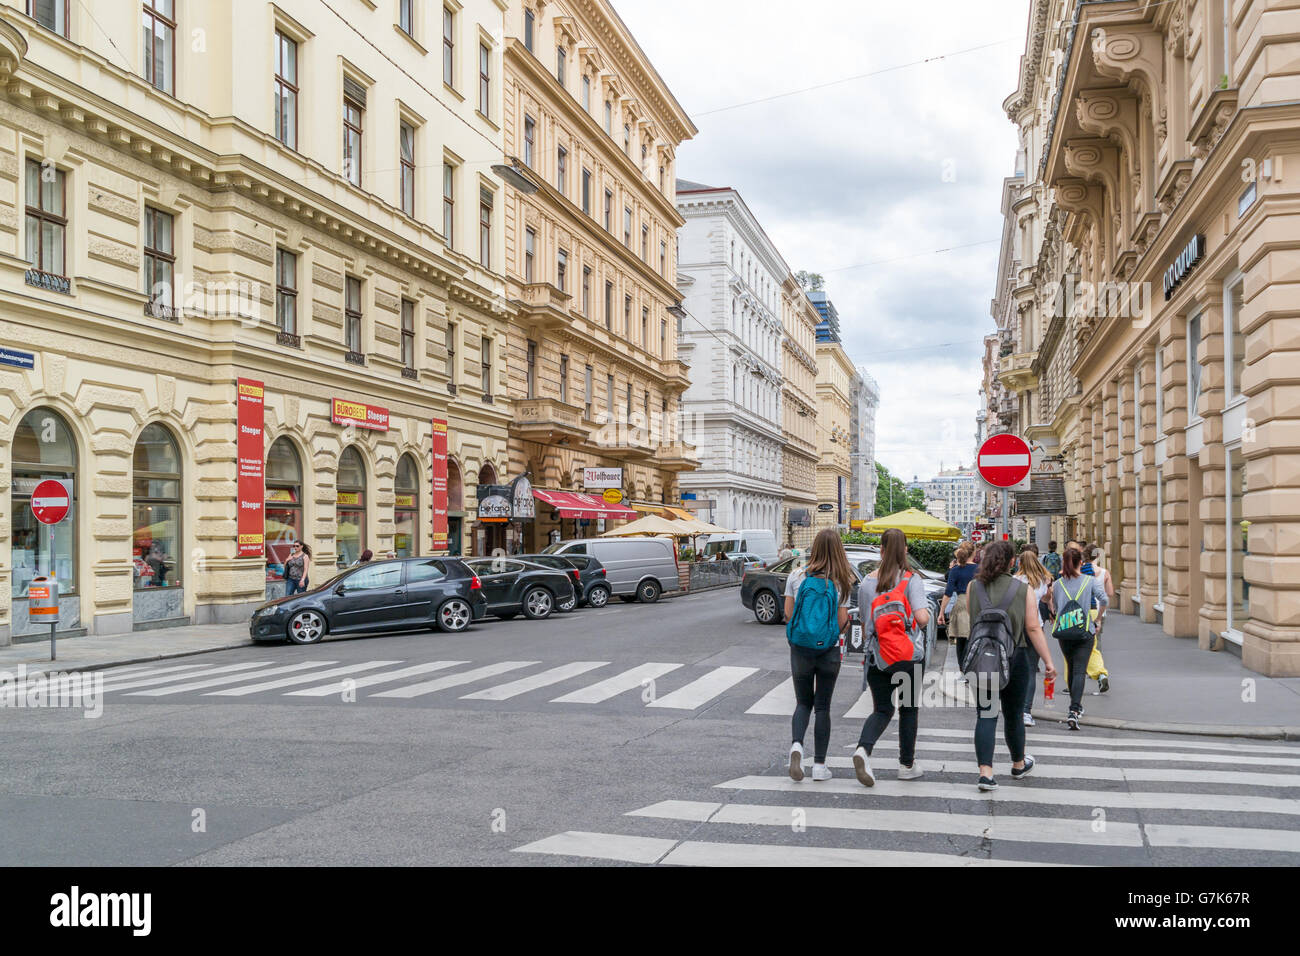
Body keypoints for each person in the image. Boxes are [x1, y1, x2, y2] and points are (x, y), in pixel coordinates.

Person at [965, 540, 1057, 791]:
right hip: (1016, 657)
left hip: (982, 657)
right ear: (1011, 562)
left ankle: (985, 773)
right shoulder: (1022, 589)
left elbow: (974, 622)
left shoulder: (973, 587)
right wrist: (1049, 661)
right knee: (1014, 714)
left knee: (986, 713)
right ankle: (1018, 763)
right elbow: (1033, 627)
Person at [852, 528, 931, 786]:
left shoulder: (866, 582)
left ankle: (863, 749)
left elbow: (866, 625)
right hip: (909, 658)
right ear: (905, 550)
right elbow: (921, 618)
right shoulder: (912, 579)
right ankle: (906, 765)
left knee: (882, 709)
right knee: (909, 710)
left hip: (879, 657)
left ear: (882, 550)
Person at [783, 528, 853, 783]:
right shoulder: (842, 582)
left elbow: (789, 614)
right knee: (823, 707)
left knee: (803, 703)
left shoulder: (797, 575)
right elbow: (841, 621)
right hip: (829, 651)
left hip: (800, 649)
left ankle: (797, 746)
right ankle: (820, 766)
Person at [1049, 545, 1109, 730]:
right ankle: (1074, 710)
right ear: (1080, 563)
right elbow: (1105, 599)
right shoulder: (1090, 581)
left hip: (1065, 632)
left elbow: (1056, 608)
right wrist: (1097, 619)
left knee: (1071, 666)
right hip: (1085, 631)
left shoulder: (1058, 584)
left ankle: (1076, 706)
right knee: (1079, 670)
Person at [1014, 548, 1053, 727]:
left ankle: (1015, 707)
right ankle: (1026, 711)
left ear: (1020, 563)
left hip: (1016, 628)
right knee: (1030, 670)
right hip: (1035, 627)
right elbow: (1046, 599)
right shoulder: (1041, 581)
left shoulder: (1014, 580)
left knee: (1016, 670)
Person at [940, 544, 977, 672]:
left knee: (961, 639)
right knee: (974, 637)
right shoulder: (980, 569)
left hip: (961, 603)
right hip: (976, 603)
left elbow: (948, 593)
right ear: (974, 553)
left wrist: (941, 612)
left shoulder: (955, 570)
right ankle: (973, 667)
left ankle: (963, 669)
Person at [1084, 547, 1115, 693]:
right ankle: (1099, 670)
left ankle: (1087, 669)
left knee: (1082, 642)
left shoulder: (1082, 571)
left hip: (1084, 609)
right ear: (1097, 556)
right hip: (1099, 610)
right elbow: (1110, 593)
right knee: (1096, 642)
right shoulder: (1104, 572)